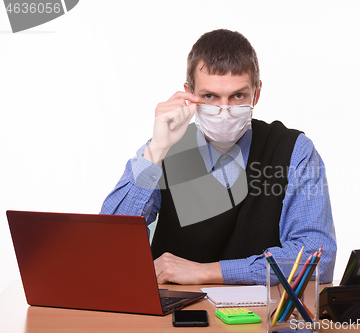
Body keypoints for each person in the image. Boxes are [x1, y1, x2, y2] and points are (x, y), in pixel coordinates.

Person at [100, 29, 336, 286]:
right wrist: (156, 150)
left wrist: (206, 272)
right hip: (172, 316)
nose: (224, 111)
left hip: (260, 317)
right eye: (210, 97)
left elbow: (317, 258)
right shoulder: (165, 148)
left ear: (256, 94)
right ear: (190, 94)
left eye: (237, 96)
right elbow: (107, 245)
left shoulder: (294, 151)